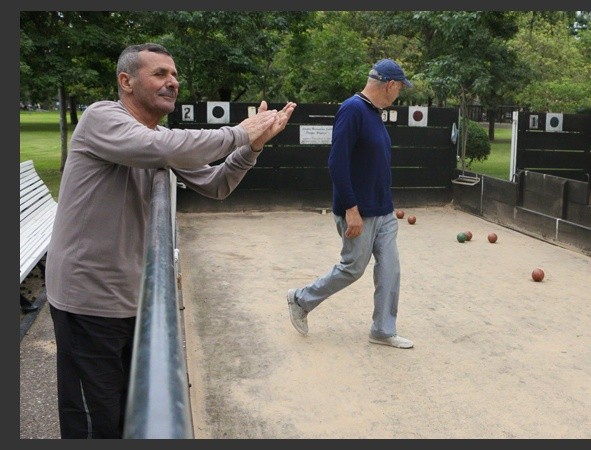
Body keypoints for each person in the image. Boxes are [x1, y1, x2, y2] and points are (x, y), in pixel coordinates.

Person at [45, 43, 296, 439]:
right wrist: (236, 133)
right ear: (126, 82)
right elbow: (158, 148)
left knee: (131, 418)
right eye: (160, 73)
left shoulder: (158, 137)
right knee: (95, 424)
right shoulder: (102, 117)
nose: (173, 82)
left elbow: (215, 185)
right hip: (88, 302)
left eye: (174, 74)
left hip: (132, 299)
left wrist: (252, 145)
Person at [285, 58, 414, 349]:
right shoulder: (353, 110)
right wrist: (351, 208)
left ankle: (382, 329)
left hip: (384, 210)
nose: (399, 94)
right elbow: (337, 162)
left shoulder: (373, 113)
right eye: (399, 89)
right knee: (353, 268)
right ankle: (300, 299)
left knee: (390, 268)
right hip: (360, 210)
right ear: (390, 85)